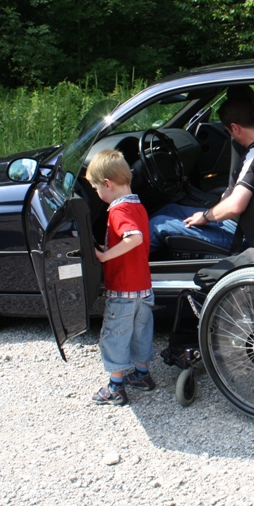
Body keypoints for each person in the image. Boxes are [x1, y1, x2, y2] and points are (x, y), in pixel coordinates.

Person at [148, 96, 254, 254]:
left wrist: (205, 216)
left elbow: (235, 205)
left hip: (235, 232)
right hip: (231, 222)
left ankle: (126, 260)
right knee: (171, 210)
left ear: (235, 128)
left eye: (228, 131)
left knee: (158, 225)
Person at [85, 149, 157, 406]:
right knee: (141, 332)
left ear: (107, 184)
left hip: (123, 289)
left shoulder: (118, 210)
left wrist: (105, 256)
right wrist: (109, 249)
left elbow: (134, 238)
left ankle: (115, 387)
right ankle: (142, 375)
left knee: (115, 334)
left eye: (96, 188)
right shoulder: (138, 205)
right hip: (143, 287)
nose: (97, 193)